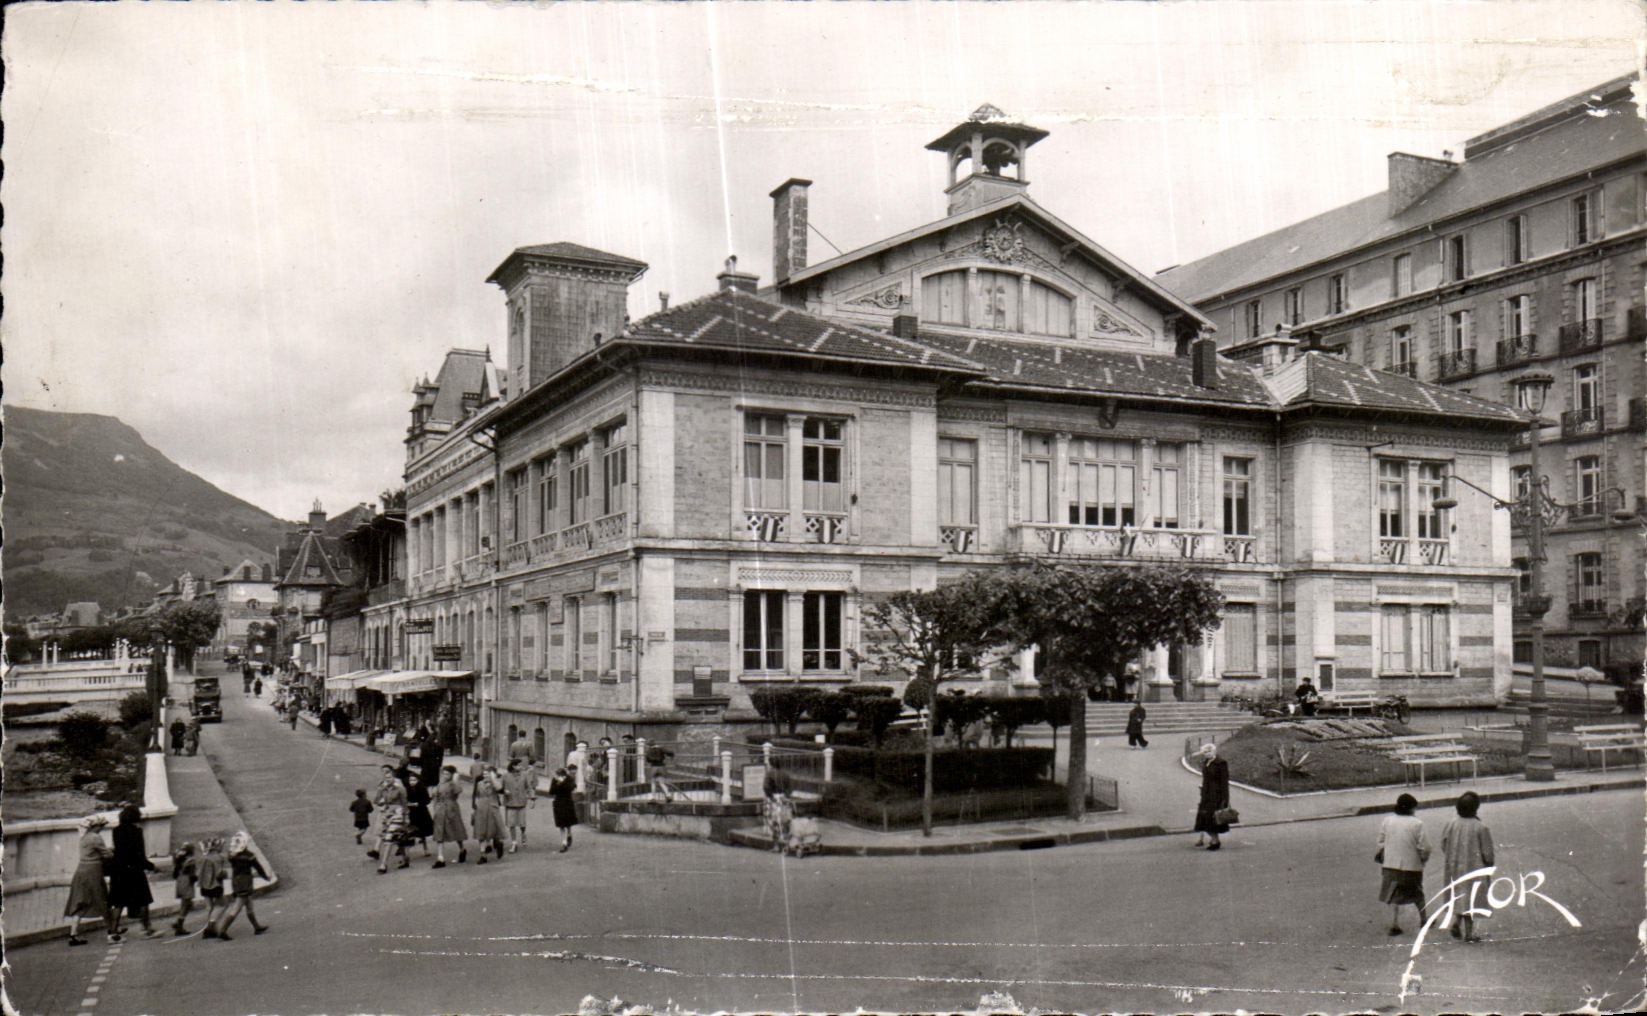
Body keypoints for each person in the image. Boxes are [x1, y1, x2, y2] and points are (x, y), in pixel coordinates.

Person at [1441, 791, 1494, 943]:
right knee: (1470, 898)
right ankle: (1469, 934)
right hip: (1474, 868)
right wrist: (1489, 865)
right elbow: (1488, 852)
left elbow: (1444, 843)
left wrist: (1452, 854)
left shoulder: (1451, 824)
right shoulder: (1480, 827)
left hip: (1454, 866)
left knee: (1459, 895)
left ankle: (1457, 923)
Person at [1377, 792, 1432, 936]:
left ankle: (1394, 924)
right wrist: (1423, 859)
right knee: (1417, 893)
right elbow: (1425, 847)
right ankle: (1424, 919)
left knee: (1393, 895)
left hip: (1390, 865)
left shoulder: (1387, 821)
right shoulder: (1417, 824)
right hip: (1411, 867)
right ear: (1411, 809)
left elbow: (1380, 841)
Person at [107, 803, 162, 938]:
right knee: (143, 900)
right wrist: (152, 866)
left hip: (119, 870)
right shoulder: (137, 832)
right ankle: (146, 929)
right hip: (134, 871)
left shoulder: (116, 831)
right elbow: (139, 856)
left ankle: (113, 932)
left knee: (118, 902)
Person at [63, 814, 117, 946]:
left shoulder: (84, 837)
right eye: (101, 826)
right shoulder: (96, 838)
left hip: (81, 871)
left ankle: (73, 934)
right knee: (102, 900)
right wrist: (112, 851)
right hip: (94, 872)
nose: (102, 828)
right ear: (96, 826)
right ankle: (112, 932)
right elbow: (107, 855)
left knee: (80, 902)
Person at [206, 832, 268, 940]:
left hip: (236, 881)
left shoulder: (233, 856)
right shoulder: (249, 856)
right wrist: (265, 877)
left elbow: (231, 856)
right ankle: (223, 930)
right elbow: (258, 867)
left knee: (249, 904)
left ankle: (256, 926)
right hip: (245, 882)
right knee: (237, 907)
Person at [367, 764, 411, 874]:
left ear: (394, 777)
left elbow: (404, 804)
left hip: (398, 814)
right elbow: (376, 800)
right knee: (395, 839)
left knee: (389, 838)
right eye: (386, 778)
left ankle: (383, 864)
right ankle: (406, 859)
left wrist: (406, 818)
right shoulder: (383, 789)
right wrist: (380, 800)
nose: (388, 780)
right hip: (386, 815)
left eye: (390, 777)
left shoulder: (400, 789)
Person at [1192, 742, 1230, 850]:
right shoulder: (1206, 762)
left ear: (1214, 751)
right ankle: (1214, 840)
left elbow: (1224, 782)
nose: (1206, 754)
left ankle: (1215, 841)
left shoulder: (1221, 763)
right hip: (1206, 794)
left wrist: (1225, 799)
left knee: (1211, 819)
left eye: (1208, 751)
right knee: (1204, 819)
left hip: (1216, 795)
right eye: (1204, 752)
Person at [429, 765, 469, 868]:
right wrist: (435, 807)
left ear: (452, 775)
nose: (445, 775)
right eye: (444, 773)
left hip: (451, 808)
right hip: (440, 809)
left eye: (447, 774)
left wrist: (456, 779)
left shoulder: (454, 784)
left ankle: (462, 849)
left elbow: (457, 791)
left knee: (456, 830)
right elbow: (434, 796)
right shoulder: (440, 783)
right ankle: (440, 857)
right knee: (439, 832)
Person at [471, 763, 508, 862]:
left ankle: (498, 843)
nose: (485, 776)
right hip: (481, 808)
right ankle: (483, 855)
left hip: (492, 807)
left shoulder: (495, 783)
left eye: (488, 774)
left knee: (494, 829)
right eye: (484, 774)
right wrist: (474, 809)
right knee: (481, 831)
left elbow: (499, 789)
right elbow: (476, 796)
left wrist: (492, 778)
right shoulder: (479, 784)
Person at [501, 758, 535, 853]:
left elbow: (529, 787)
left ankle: (523, 833)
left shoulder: (524, 775)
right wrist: (504, 791)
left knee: (522, 823)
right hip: (510, 802)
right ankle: (514, 843)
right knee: (511, 824)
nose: (521, 767)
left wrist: (532, 799)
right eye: (519, 765)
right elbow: (500, 788)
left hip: (521, 802)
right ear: (513, 766)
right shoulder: (505, 776)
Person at [196, 837, 228, 934]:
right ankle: (211, 924)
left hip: (203, 885)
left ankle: (209, 928)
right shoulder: (217, 858)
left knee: (209, 907)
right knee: (223, 905)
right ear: (217, 847)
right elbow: (219, 873)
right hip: (215, 885)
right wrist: (225, 873)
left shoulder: (203, 857)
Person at [169, 841, 200, 935]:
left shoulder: (178, 860)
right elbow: (192, 874)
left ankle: (178, 921)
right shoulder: (190, 860)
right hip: (187, 882)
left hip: (180, 880)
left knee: (184, 902)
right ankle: (179, 924)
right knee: (187, 904)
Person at [763, 763, 794, 851]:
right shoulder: (785, 774)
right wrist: (786, 796)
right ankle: (787, 843)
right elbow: (790, 788)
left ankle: (776, 845)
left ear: (772, 765)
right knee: (786, 821)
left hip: (774, 799)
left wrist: (771, 796)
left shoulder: (769, 774)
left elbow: (766, 787)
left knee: (775, 822)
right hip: (785, 799)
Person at [547, 765, 578, 853]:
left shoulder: (569, 779)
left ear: (565, 775)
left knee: (568, 822)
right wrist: (558, 783)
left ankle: (569, 834)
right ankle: (564, 843)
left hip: (568, 802)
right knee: (561, 824)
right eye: (558, 775)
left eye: (561, 775)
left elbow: (571, 788)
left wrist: (563, 783)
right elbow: (551, 791)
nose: (560, 777)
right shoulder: (555, 780)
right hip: (558, 803)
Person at [404, 772, 434, 856]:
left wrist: (418, 803)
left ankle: (425, 849)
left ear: (418, 780)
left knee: (422, 832)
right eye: (410, 780)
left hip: (421, 813)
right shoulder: (407, 789)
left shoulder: (422, 788)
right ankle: (406, 851)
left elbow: (427, 800)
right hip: (411, 812)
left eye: (414, 780)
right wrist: (407, 804)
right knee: (410, 832)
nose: (412, 782)